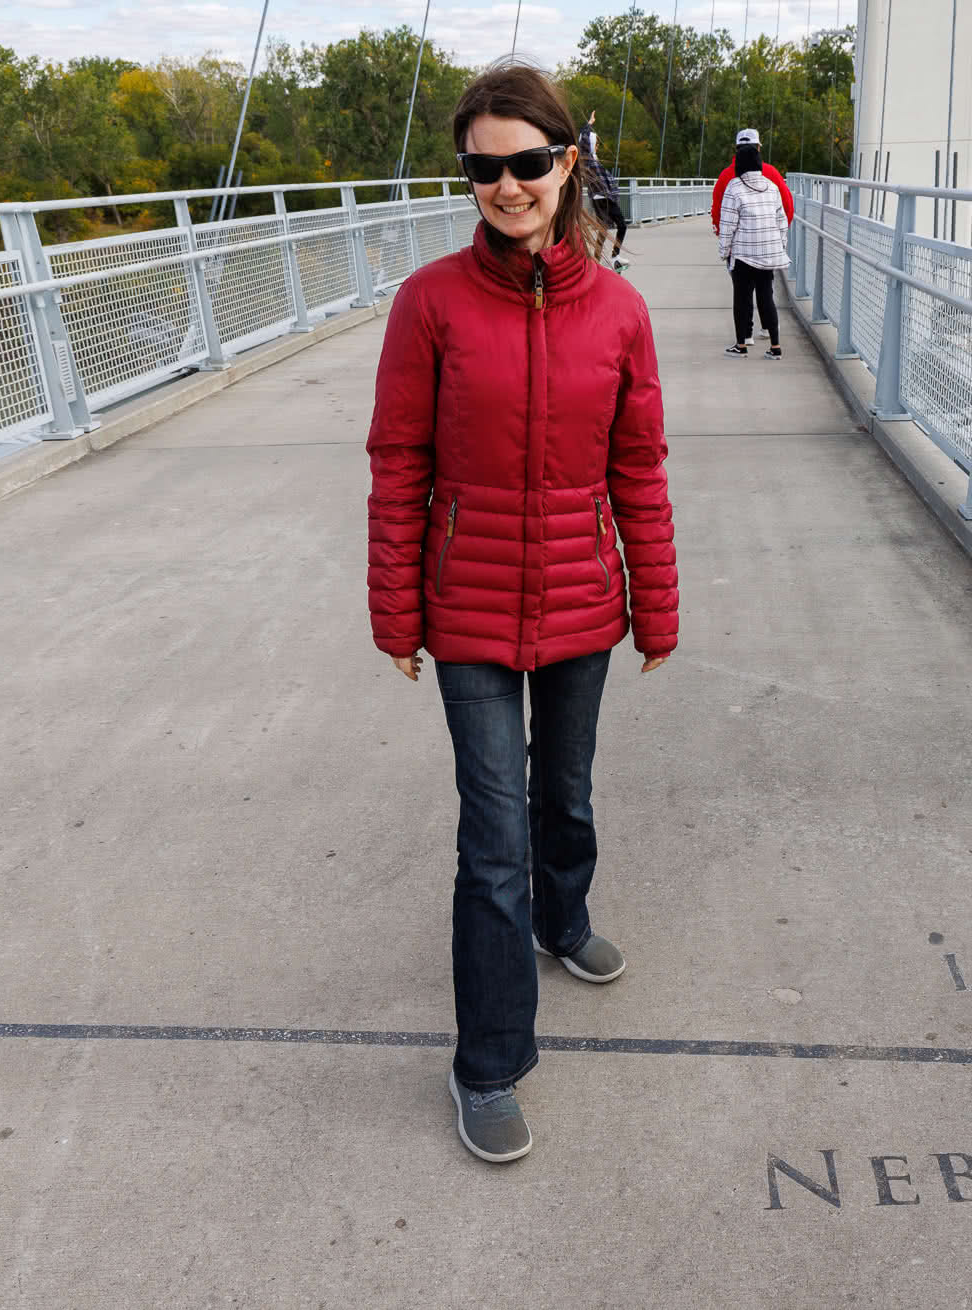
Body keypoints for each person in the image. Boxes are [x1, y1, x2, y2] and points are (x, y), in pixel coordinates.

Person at [366, 64, 679, 1164]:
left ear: (567, 162)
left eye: (527, 162)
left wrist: (656, 601)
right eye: (483, 167)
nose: (506, 185)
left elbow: (637, 466)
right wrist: (393, 607)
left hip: (583, 600)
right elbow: (399, 459)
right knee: (490, 841)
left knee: (568, 792)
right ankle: (487, 1061)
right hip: (467, 609)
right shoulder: (430, 304)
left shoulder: (622, 311)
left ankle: (566, 918)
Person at [709, 128, 792, 337]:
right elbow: (787, 207)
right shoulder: (771, 173)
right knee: (766, 288)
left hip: (739, 248)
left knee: (742, 292)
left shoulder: (726, 176)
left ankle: (745, 335)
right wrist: (777, 236)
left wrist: (723, 241)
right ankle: (768, 329)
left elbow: (718, 211)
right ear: (758, 148)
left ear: (736, 151)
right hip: (767, 243)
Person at [578, 109, 631, 271]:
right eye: (597, 143)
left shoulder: (592, 158)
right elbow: (583, 138)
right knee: (621, 225)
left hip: (602, 197)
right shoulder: (586, 158)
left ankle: (597, 259)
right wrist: (590, 123)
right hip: (602, 197)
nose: (598, 146)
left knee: (604, 228)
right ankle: (612, 257)